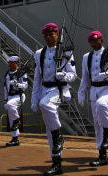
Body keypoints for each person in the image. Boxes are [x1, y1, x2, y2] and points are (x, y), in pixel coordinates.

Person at [31, 23, 77, 176]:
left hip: (59, 89)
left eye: (52, 34)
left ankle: (58, 136)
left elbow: (73, 75)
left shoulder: (66, 51)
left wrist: (63, 76)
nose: (49, 37)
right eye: (46, 35)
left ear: (57, 35)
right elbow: (37, 77)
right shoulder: (39, 54)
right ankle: (56, 163)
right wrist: (34, 98)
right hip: (45, 89)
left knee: (46, 105)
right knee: (49, 130)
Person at [78, 31, 108, 167]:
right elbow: (85, 77)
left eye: (96, 41)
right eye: (91, 42)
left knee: (102, 105)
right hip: (94, 90)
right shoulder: (87, 57)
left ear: (102, 40)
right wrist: (81, 93)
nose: (94, 44)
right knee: (97, 123)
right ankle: (102, 155)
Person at [4, 55, 28, 147]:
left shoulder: (21, 74)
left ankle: (17, 120)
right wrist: (5, 99)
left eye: (12, 63)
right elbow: (5, 88)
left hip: (18, 95)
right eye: (9, 63)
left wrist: (17, 84)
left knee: (11, 106)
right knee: (11, 117)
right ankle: (15, 138)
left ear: (16, 63)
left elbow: (25, 86)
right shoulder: (7, 74)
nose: (10, 64)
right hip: (10, 96)